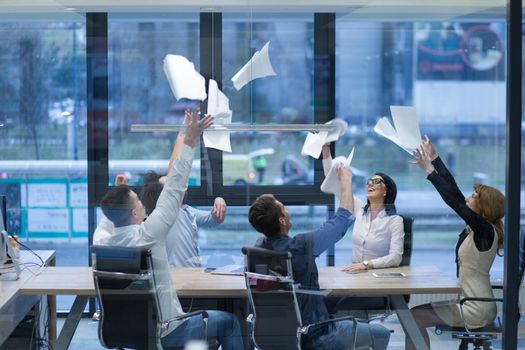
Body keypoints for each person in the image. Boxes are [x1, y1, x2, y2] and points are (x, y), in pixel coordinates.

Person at [98, 111, 244, 350]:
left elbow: (108, 218)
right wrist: (190, 140)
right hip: (168, 331)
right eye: (137, 201)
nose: (142, 203)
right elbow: (175, 186)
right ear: (135, 213)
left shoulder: (103, 243)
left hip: (122, 334)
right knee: (230, 323)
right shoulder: (149, 235)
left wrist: (118, 192)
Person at [247, 166, 391, 350]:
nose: (288, 211)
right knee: (381, 333)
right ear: (282, 220)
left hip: (274, 339)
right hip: (316, 337)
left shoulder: (258, 250)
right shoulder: (300, 247)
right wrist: (346, 181)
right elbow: (342, 220)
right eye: (284, 209)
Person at [409, 135, 505, 350]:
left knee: (414, 317)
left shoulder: (485, 230)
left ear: (484, 208)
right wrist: (435, 158)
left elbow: (454, 201)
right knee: (413, 315)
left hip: (475, 307)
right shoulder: (480, 228)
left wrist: (430, 172)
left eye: (473, 196)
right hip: (471, 302)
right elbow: (454, 192)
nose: (467, 199)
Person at [321, 143, 404, 272]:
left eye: (377, 181)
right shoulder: (359, 209)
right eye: (369, 181)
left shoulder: (395, 221)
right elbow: (334, 182)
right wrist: (326, 150)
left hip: (379, 276)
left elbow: (396, 257)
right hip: (356, 274)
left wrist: (367, 264)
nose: (370, 183)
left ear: (386, 191)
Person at [140, 170, 227, 267]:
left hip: (193, 273)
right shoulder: (161, 217)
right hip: (174, 275)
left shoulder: (188, 211)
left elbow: (215, 219)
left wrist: (219, 200)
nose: (178, 186)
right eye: (170, 186)